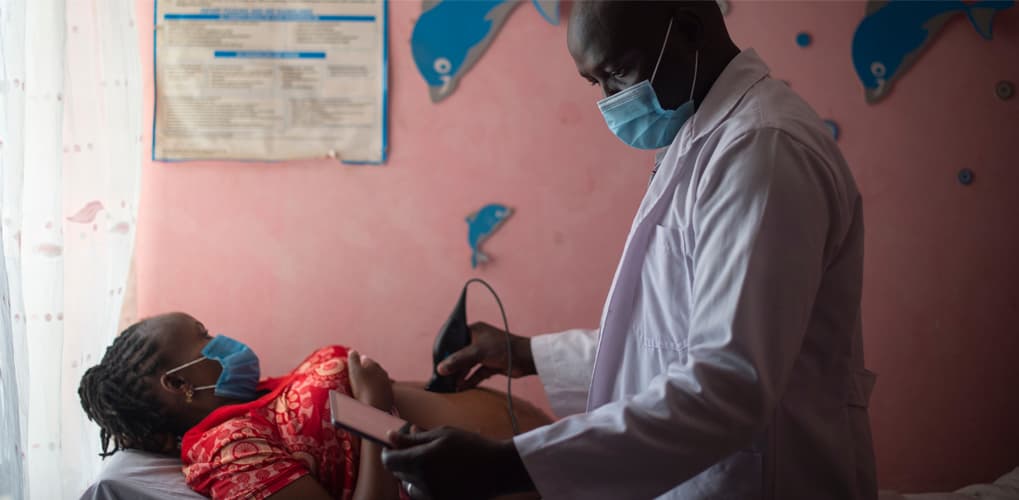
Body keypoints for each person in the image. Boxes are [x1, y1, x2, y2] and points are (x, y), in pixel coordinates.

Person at [381, 1, 878, 499]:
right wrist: (527, 354)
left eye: (618, 72)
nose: (610, 101)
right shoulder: (705, 138)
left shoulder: (761, 150)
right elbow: (666, 340)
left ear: (688, 31)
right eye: (594, 83)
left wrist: (506, 466)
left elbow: (729, 383)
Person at [78, 312, 550, 500]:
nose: (219, 338)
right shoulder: (226, 450)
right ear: (179, 383)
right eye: (204, 335)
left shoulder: (263, 396)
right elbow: (379, 421)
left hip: (544, 461)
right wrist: (376, 408)